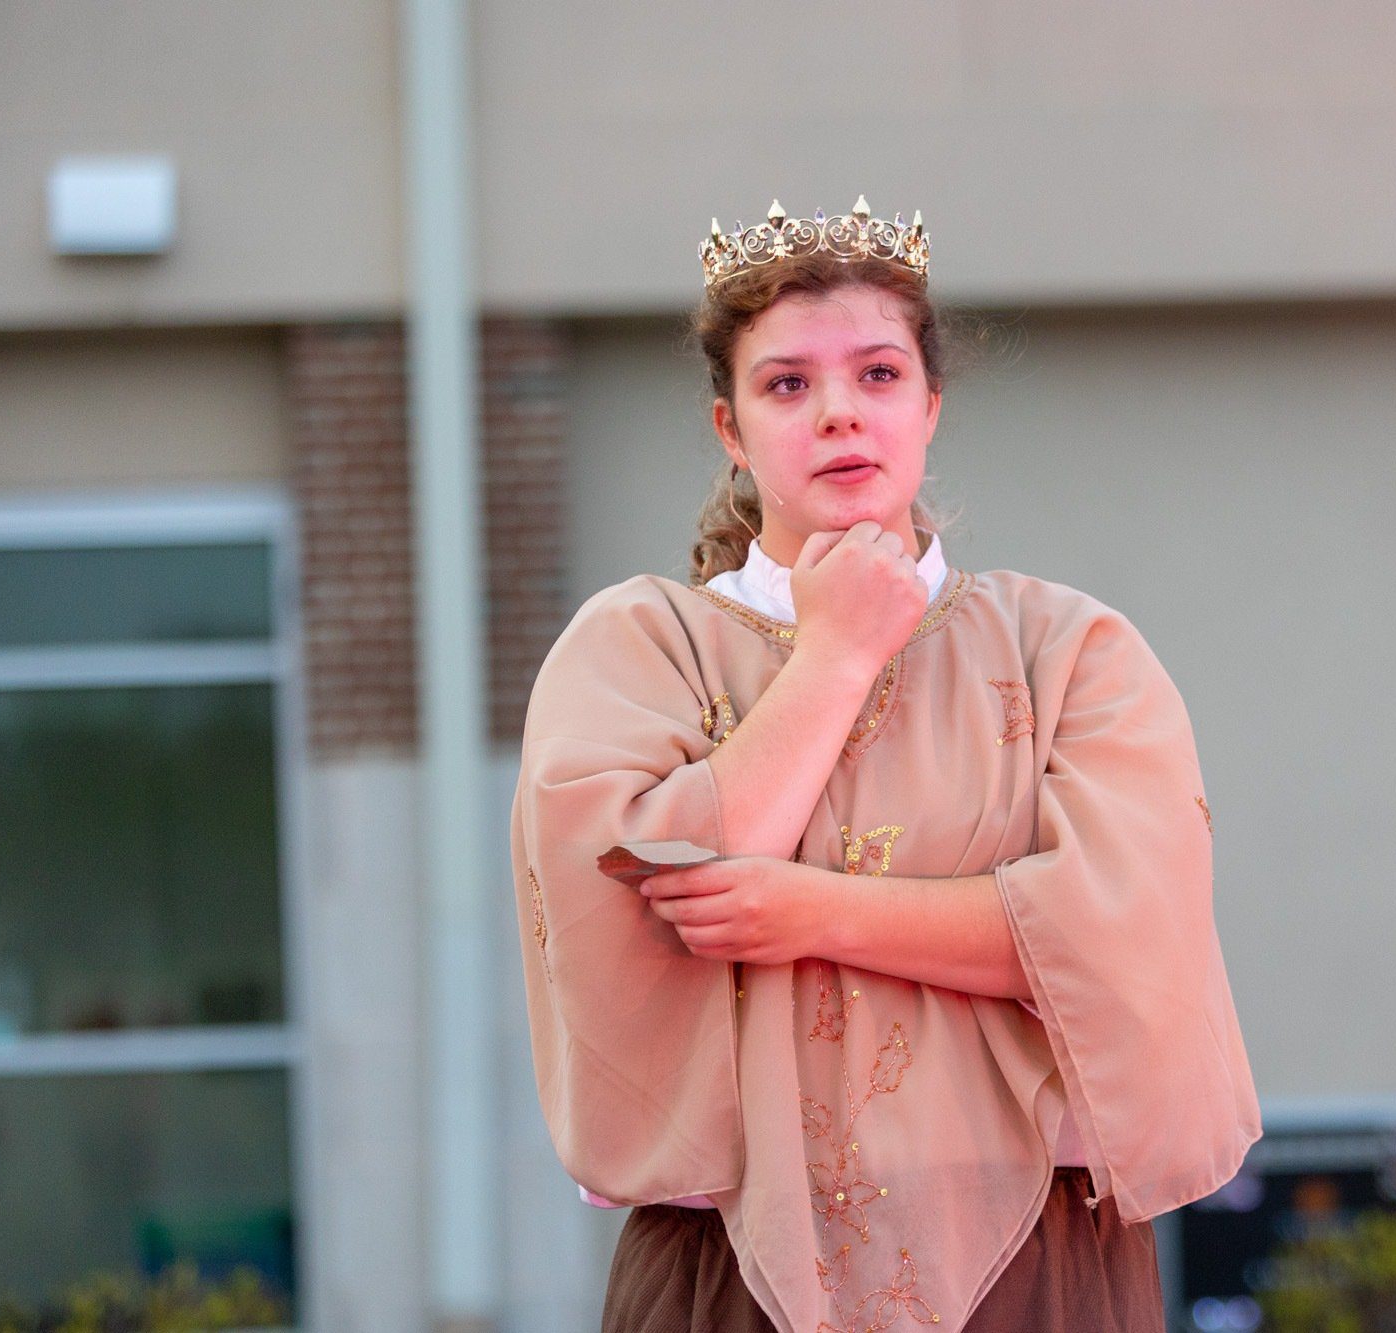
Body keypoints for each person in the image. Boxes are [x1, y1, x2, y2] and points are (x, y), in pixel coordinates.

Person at [510, 198, 1260, 1333]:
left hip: (1036, 1259)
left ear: (929, 405)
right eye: (786, 385)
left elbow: (1118, 935)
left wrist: (802, 910)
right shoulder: (635, 646)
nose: (837, 416)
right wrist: (839, 650)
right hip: (728, 1259)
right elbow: (657, 905)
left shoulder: (1067, 650)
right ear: (729, 427)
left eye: (874, 374)